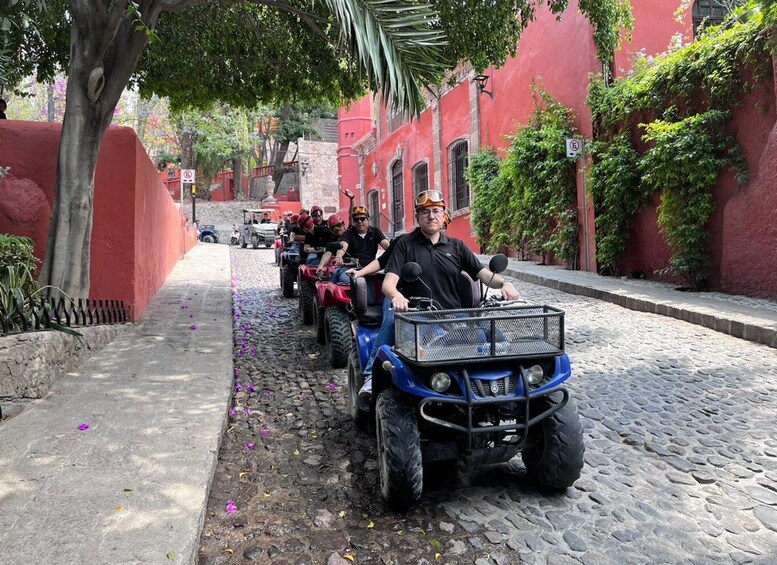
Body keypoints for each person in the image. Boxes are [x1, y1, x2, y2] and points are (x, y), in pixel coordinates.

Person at [359, 189, 520, 398]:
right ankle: (371, 377)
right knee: (394, 325)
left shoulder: (457, 246)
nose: (431, 216)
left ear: (444, 215)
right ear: (418, 216)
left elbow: (484, 274)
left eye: (436, 211)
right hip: (416, 314)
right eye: (425, 212)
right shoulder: (404, 244)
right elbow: (388, 283)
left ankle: (497, 387)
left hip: (454, 314)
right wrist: (397, 296)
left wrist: (505, 283)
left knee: (489, 338)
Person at [317, 205, 389, 283]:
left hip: (371, 268)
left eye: (362, 218)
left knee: (389, 280)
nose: (360, 222)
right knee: (345, 280)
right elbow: (343, 245)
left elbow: (386, 245)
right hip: (351, 268)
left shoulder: (376, 231)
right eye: (356, 219)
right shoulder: (348, 233)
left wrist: (397, 254)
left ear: (368, 219)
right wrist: (338, 257)